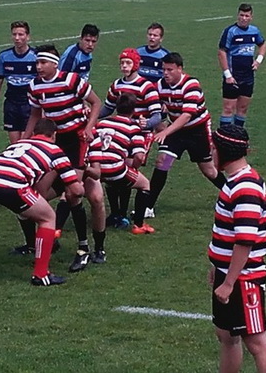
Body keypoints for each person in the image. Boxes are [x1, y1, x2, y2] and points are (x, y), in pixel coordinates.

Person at [0, 118, 84, 286]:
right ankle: (41, 274)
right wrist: (82, 186)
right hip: (12, 184)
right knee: (47, 217)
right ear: (54, 135)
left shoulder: (20, 143)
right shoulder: (55, 150)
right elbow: (75, 191)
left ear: (34, 133)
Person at [23, 45, 106, 273]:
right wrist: (24, 140)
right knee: (34, 194)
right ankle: (44, 242)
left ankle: (85, 249)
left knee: (74, 193)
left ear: (54, 64)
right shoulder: (34, 86)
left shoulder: (71, 81)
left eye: (42, 63)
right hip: (55, 141)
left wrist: (89, 128)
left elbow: (96, 102)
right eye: (37, 63)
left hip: (76, 140)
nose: (38, 67)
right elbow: (35, 114)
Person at [208, 124, 266, 373]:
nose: (211, 153)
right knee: (226, 334)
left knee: (257, 341)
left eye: (214, 149)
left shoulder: (245, 188)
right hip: (229, 273)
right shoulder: (234, 182)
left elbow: (244, 241)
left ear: (225, 151)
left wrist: (229, 281)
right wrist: (216, 268)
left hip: (244, 278)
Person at [142, 53, 226, 217]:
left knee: (209, 170)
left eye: (170, 70)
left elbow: (187, 115)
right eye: (164, 69)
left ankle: (232, 194)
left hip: (197, 130)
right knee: (162, 161)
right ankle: (148, 207)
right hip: (177, 130)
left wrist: (165, 131)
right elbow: (148, 101)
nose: (166, 73)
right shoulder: (160, 85)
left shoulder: (191, 85)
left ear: (180, 69)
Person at [98, 51, 162, 229]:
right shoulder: (116, 86)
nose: (124, 66)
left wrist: (146, 123)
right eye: (122, 63)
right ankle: (116, 213)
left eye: (128, 63)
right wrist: (93, 116)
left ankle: (122, 213)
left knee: (128, 170)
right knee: (116, 173)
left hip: (138, 135)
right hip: (121, 133)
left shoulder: (146, 86)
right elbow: (107, 109)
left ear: (135, 65)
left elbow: (157, 115)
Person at [88, 93, 155, 234]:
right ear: (134, 110)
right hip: (115, 168)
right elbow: (139, 156)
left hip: (96, 166)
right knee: (144, 184)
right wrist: (134, 168)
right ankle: (139, 224)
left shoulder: (103, 122)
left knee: (112, 181)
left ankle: (115, 215)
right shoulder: (133, 127)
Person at [218, 3, 266, 129]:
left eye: (246, 16)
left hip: (248, 77)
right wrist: (228, 75)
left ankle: (238, 138)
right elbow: (221, 52)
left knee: (243, 108)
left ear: (251, 17)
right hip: (233, 76)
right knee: (228, 108)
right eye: (241, 15)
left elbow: (262, 44)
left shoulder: (254, 31)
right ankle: (224, 138)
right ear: (237, 15)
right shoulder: (230, 31)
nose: (243, 18)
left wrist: (258, 60)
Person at [0, 21, 37, 144]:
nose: (17, 38)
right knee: (15, 144)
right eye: (14, 34)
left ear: (28, 36)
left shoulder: (36, 56)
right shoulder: (4, 56)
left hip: (29, 104)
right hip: (11, 104)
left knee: (27, 143)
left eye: (21, 34)